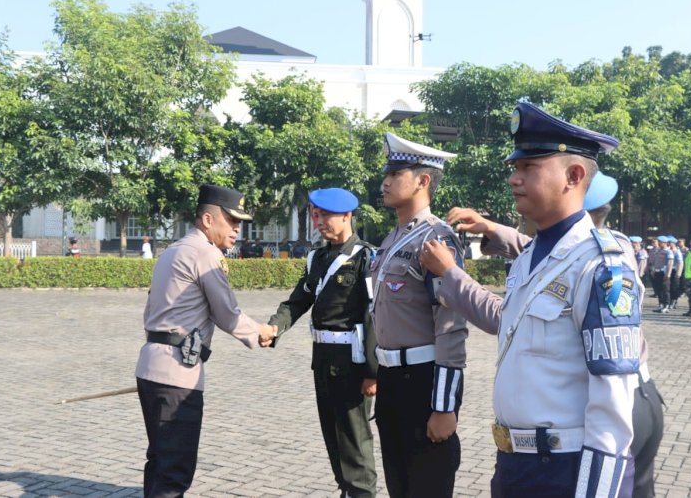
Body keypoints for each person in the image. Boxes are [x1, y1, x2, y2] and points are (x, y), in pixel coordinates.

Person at [419, 102, 640, 497]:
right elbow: (508, 320)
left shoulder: (600, 266)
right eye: (515, 167)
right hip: (515, 466)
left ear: (573, 176)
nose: (513, 179)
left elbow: (613, 405)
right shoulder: (532, 258)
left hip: (564, 471)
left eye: (528, 168)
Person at [449, 170, 663, 498]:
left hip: (615, 407)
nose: (515, 180)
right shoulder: (579, 250)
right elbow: (545, 256)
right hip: (641, 397)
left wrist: (451, 277)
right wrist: (493, 229)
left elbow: (536, 281)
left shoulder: (605, 259)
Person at [135, 184, 277, 497]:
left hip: (151, 368)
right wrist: (261, 332)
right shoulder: (205, 254)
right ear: (208, 220)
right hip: (177, 375)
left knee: (159, 462)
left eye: (240, 223)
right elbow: (227, 314)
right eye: (231, 220)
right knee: (174, 472)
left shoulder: (174, 249)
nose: (237, 229)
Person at [371, 132, 468, 497]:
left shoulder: (437, 240)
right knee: (399, 486)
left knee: (427, 486)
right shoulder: (392, 239)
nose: (385, 181)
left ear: (423, 180)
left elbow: (451, 327)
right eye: (387, 173)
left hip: (423, 383)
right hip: (392, 380)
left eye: (396, 174)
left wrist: (444, 406)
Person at [268, 188, 378, 498]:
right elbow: (299, 299)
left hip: (353, 363)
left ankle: (361, 493)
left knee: (354, 438)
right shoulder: (318, 257)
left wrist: (373, 371)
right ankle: (346, 488)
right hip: (324, 359)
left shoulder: (365, 257)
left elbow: (374, 314)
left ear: (346, 216)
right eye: (317, 216)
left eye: (326, 216)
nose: (320, 222)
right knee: (332, 434)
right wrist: (275, 327)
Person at [652, 236, 673, 313]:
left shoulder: (668, 252)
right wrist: (654, 271)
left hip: (664, 273)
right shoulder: (658, 251)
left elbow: (670, 264)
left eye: (660, 242)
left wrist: (667, 275)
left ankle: (666, 305)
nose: (659, 243)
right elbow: (655, 262)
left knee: (665, 290)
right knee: (659, 290)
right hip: (657, 272)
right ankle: (661, 304)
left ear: (665, 243)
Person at [667, 236, 683, 309]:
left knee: (674, 287)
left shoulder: (677, 251)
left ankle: (674, 300)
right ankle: (669, 300)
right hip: (668, 270)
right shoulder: (667, 250)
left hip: (674, 270)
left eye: (669, 242)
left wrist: (678, 273)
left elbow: (680, 263)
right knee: (668, 287)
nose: (668, 244)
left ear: (673, 243)